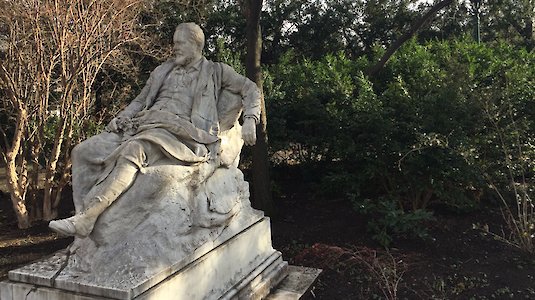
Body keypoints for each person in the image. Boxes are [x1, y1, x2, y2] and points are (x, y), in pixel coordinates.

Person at [49, 22, 261, 237]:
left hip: (181, 132)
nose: (174, 48)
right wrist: (121, 118)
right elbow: (140, 101)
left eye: (179, 43)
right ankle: (80, 223)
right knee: (82, 151)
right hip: (142, 124)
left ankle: (88, 219)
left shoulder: (216, 71)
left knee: (135, 149)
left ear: (196, 44)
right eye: (174, 43)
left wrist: (251, 120)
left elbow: (251, 89)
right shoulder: (162, 71)